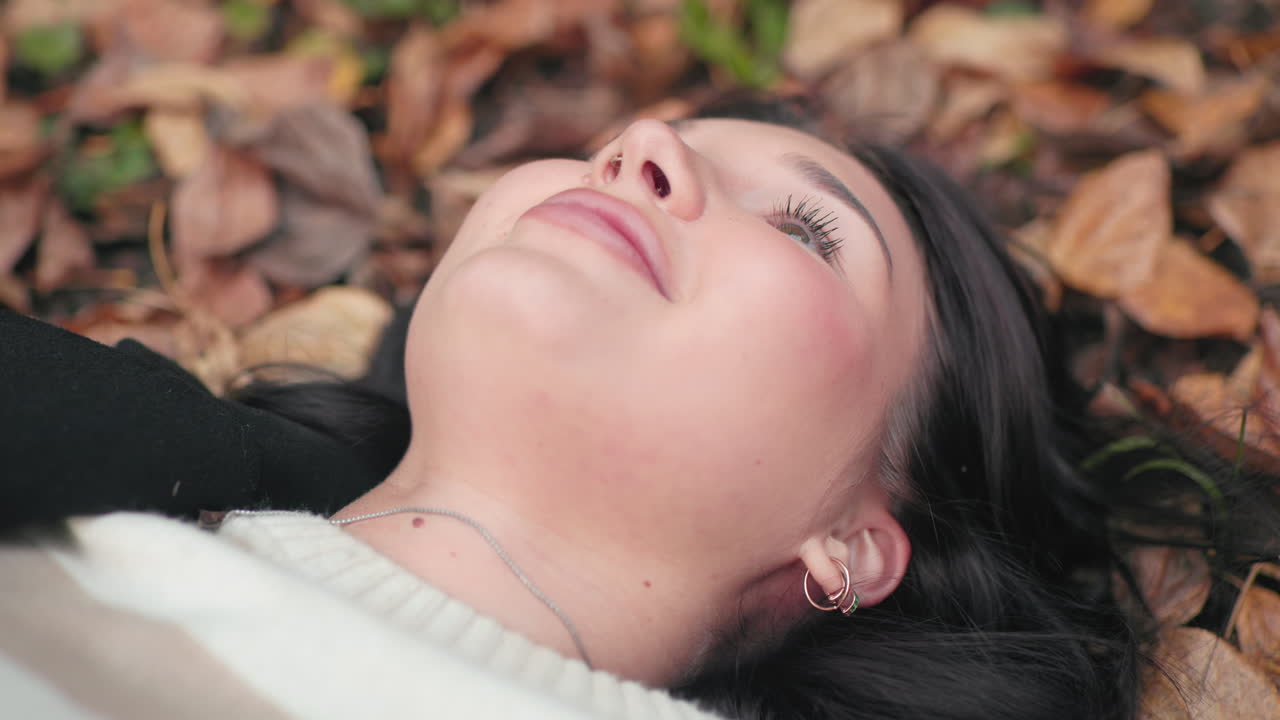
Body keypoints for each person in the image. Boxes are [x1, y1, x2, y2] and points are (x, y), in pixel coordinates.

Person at [2, 96, 1276, 720]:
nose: (641, 144)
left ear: (854, 542)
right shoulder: (83, 451)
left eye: (801, 227)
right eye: (627, 144)